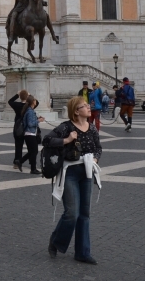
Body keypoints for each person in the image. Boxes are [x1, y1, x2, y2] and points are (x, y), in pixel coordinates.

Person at [43, 96, 102, 264]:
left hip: (87, 172)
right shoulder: (66, 127)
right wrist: (67, 140)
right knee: (72, 213)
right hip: (70, 172)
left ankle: (82, 252)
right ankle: (56, 240)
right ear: (76, 111)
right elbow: (46, 140)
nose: (89, 107)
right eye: (85, 106)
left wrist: (95, 159)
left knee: (85, 213)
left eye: (88, 105)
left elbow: (98, 148)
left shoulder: (92, 128)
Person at [17, 95, 44, 174]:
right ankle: (22, 162)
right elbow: (30, 124)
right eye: (35, 100)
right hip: (30, 134)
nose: (36, 101)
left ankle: (32, 168)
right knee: (34, 151)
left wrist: (37, 118)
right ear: (32, 102)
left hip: (30, 133)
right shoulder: (30, 111)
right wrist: (38, 121)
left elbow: (30, 121)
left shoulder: (30, 110)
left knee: (32, 151)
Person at [8, 89, 29, 169]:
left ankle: (16, 162)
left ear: (20, 97)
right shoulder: (28, 105)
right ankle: (32, 163)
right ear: (27, 97)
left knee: (18, 146)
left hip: (18, 127)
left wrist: (17, 95)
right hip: (27, 127)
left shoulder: (16, 105)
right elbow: (36, 102)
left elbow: (10, 101)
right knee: (30, 146)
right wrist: (29, 95)